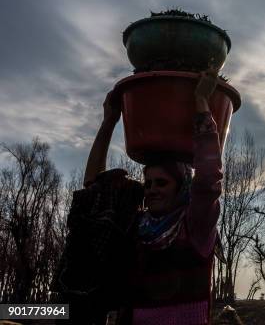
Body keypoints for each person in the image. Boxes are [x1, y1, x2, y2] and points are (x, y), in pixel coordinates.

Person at [56, 70, 222, 325]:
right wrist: (109, 122)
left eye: (162, 183)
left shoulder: (195, 227)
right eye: (148, 184)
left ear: (182, 189)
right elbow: (94, 192)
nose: (152, 190)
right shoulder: (137, 229)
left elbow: (209, 178)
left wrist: (201, 101)